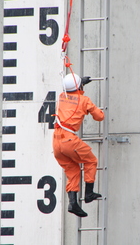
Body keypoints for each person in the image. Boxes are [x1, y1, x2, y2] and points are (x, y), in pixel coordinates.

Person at [53, 73, 104, 217]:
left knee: (73, 171)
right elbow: (100, 117)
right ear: (79, 86)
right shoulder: (84, 100)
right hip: (69, 140)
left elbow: (72, 91)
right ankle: (88, 193)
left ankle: (73, 203)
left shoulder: (62, 96)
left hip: (56, 142)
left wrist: (80, 83)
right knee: (91, 160)